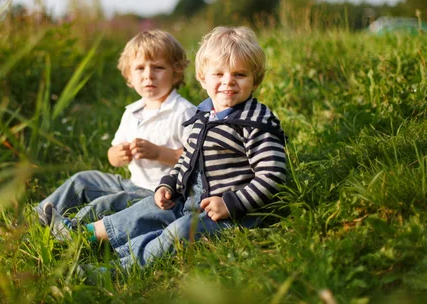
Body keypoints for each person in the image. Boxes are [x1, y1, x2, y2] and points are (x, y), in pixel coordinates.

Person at [80, 26, 287, 270]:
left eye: (239, 74)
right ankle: (85, 236)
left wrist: (232, 204)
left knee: (179, 231)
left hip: (237, 213)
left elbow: (272, 175)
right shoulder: (203, 115)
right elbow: (187, 160)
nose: (228, 81)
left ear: (255, 79)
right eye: (218, 74)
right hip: (196, 197)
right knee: (151, 208)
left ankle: (122, 267)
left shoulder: (256, 121)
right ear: (202, 77)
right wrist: (169, 184)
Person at [37, 30, 196, 235]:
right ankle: (39, 216)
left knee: (109, 202)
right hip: (133, 183)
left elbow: (195, 160)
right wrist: (117, 154)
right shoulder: (133, 112)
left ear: (176, 72)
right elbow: (113, 156)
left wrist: (159, 153)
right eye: (140, 68)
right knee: (83, 180)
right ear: (129, 76)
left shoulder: (183, 111)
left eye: (158, 67)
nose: (148, 75)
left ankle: (71, 231)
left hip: (161, 195)